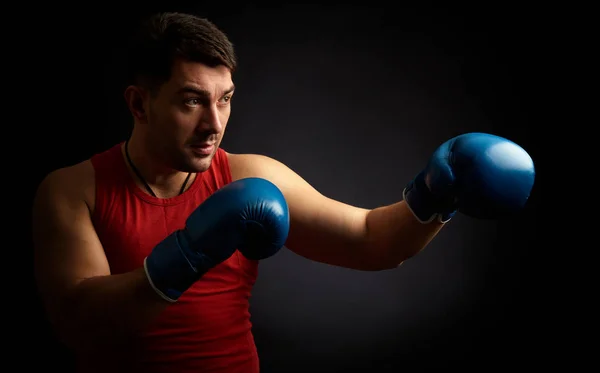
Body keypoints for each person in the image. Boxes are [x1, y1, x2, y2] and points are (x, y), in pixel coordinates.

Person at [31, 11, 536, 373]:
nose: (214, 124)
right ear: (139, 104)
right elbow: (78, 324)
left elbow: (369, 240)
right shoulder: (74, 191)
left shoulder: (247, 175)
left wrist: (433, 196)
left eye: (224, 100)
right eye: (191, 101)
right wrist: (192, 252)